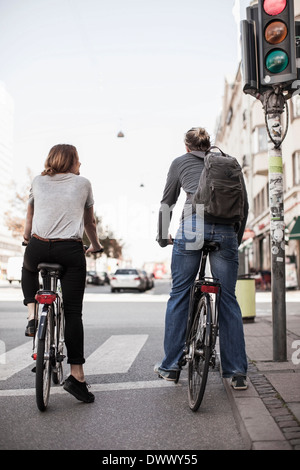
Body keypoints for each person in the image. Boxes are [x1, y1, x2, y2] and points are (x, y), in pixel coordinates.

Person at [155, 127, 249, 390]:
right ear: (209, 146)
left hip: (194, 224)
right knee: (227, 298)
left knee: (180, 294)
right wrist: (234, 239)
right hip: (226, 229)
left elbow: (167, 204)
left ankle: (171, 367)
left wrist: (163, 237)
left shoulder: (180, 163)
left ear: (187, 146)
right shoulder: (229, 163)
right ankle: (236, 373)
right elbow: (245, 205)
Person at [22, 144, 103, 403]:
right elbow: (89, 222)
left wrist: (27, 237)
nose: (81, 165)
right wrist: (96, 245)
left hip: (37, 247)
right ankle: (77, 376)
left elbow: (30, 215)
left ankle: (33, 314)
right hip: (69, 251)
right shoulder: (83, 183)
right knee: (72, 313)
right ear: (71, 162)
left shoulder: (38, 180)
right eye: (79, 160)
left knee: (27, 268)